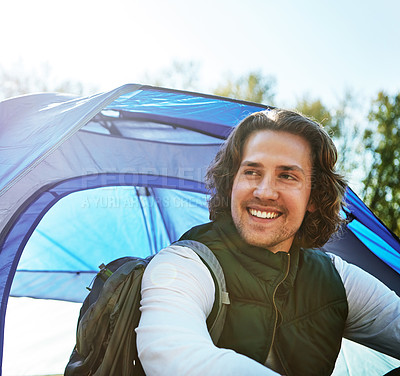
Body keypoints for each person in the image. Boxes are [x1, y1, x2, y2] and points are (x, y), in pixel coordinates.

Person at [136, 109, 400, 376]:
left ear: (313, 198)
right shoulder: (185, 264)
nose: (264, 192)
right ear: (231, 185)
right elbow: (172, 355)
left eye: (287, 176)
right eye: (251, 172)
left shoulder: (335, 278)